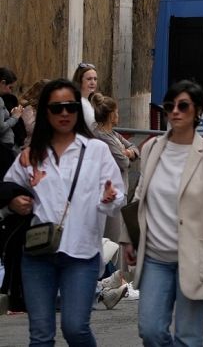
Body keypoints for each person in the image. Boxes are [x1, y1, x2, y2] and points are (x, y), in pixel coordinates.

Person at [4, 78, 126, 347]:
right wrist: (15, 202)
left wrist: (109, 198)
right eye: (56, 107)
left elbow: (118, 197)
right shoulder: (31, 154)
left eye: (70, 107)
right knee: (40, 336)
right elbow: (9, 188)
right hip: (38, 253)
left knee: (75, 328)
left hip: (81, 254)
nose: (64, 113)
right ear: (46, 111)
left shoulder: (96, 151)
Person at [127, 80, 203, 347]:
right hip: (156, 257)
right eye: (170, 106)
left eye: (183, 106)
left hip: (196, 257)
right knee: (151, 331)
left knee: (188, 338)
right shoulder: (151, 148)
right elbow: (140, 196)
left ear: (198, 111)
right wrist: (129, 238)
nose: (175, 112)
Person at [91, 92, 139, 307]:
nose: (118, 114)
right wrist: (127, 154)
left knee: (116, 238)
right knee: (112, 239)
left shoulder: (113, 134)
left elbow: (134, 148)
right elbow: (124, 162)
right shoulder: (101, 136)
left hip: (119, 193)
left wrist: (128, 151)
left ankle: (113, 282)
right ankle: (113, 283)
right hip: (109, 195)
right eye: (116, 111)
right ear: (110, 115)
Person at [73, 62, 100, 130]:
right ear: (80, 80)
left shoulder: (91, 101)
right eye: (89, 79)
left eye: (95, 79)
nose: (93, 82)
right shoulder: (77, 102)